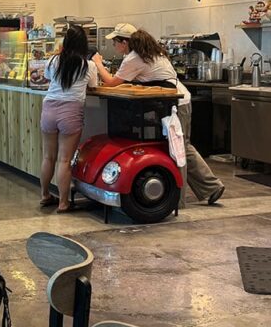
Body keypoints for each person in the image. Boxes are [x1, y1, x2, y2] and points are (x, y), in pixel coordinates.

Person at [93, 24, 225, 206]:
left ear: (124, 43)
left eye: (116, 43)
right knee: (180, 146)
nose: (115, 47)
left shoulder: (134, 58)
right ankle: (210, 188)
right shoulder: (153, 53)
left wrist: (97, 63)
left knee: (179, 148)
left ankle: (181, 198)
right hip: (179, 100)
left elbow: (111, 83)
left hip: (175, 104)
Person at [39, 25, 98, 212]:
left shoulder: (53, 61)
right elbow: (94, 86)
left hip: (49, 108)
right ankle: (64, 203)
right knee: (64, 160)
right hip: (70, 111)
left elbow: (49, 79)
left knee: (48, 156)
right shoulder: (88, 65)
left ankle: (45, 195)